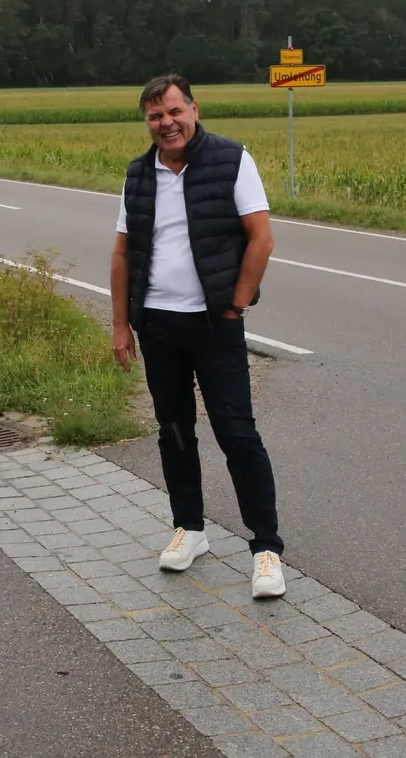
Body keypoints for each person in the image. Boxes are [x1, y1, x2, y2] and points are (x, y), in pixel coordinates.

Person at [109, 73, 286, 599]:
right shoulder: (139, 174)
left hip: (215, 325)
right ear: (147, 122)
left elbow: (261, 239)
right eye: (155, 117)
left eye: (173, 112)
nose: (166, 124)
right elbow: (122, 253)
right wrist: (121, 324)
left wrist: (235, 306)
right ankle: (190, 530)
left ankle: (266, 549)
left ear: (193, 108)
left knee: (237, 434)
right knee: (175, 431)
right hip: (158, 325)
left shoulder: (232, 159)